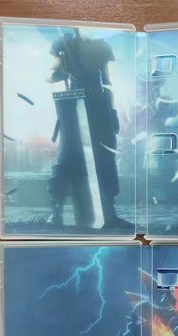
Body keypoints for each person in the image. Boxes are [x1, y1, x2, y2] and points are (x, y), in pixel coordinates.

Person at [47, 29, 132, 229]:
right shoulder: (64, 43)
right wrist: (62, 73)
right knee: (68, 155)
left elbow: (107, 81)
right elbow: (49, 76)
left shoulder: (102, 45)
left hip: (98, 103)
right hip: (74, 102)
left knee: (105, 157)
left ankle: (109, 213)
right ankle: (56, 212)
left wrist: (112, 111)